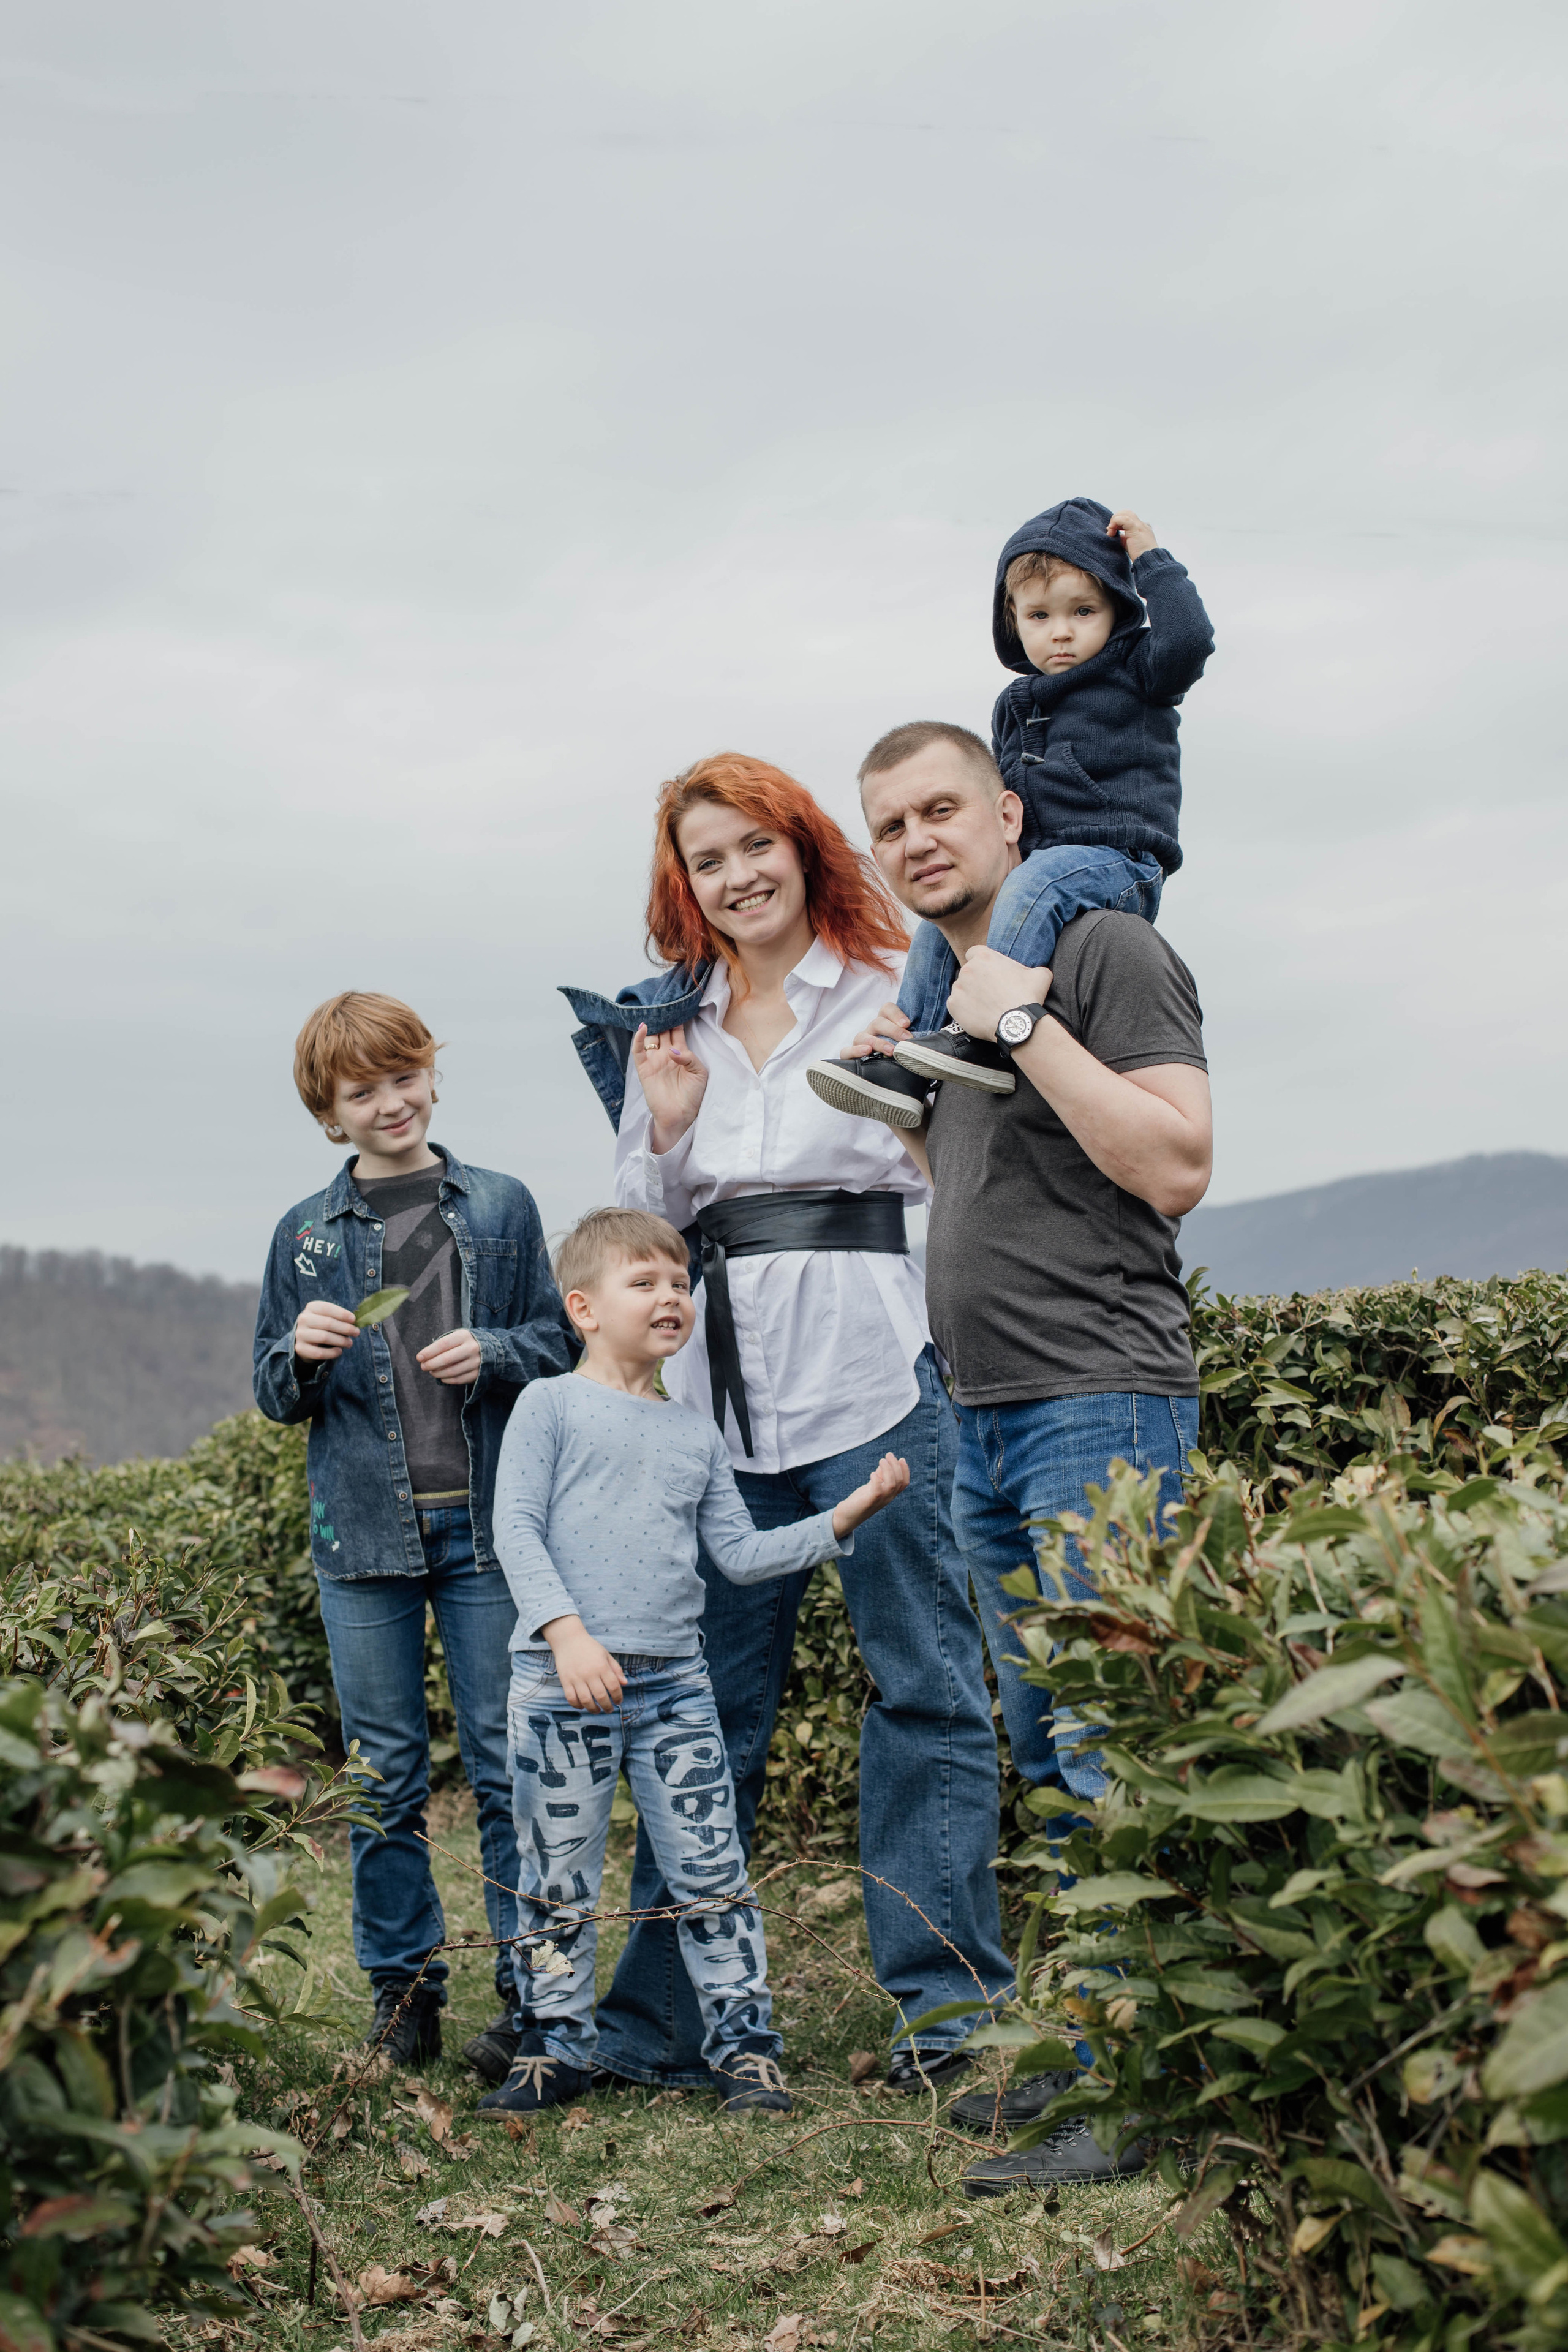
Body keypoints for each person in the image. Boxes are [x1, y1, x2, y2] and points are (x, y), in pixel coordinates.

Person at [559, 752, 1012, 2095]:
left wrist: (912, 1075)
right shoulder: (670, 1025)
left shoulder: (890, 988)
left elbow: (958, 1167)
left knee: (922, 1687)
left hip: (875, 1378)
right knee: (699, 1710)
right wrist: (665, 1122)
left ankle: (947, 2016)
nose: (738, 875)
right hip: (715, 1410)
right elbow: (647, 1222)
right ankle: (660, 2020)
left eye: (757, 844)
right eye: (708, 859)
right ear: (684, 886)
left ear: (805, 849)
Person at [841, 722, 1213, 2193]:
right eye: (888, 825)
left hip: (1098, 1400)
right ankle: (1104, 2048)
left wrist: (1020, 1023)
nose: (916, 839)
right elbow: (981, 1177)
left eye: (940, 809)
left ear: (1006, 812)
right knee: (1051, 1751)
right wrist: (923, 1076)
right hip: (981, 1406)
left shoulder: (1106, 947)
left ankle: (1151, 2085)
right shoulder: (947, 989)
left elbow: (1173, 1162)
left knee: (1114, 1739)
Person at [477, 1207, 911, 2118]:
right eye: (646, 1283)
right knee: (557, 1880)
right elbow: (513, 1528)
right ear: (584, 1308)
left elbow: (742, 1558)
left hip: (676, 1689)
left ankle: (746, 2053)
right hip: (564, 1687)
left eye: (681, 1282)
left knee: (712, 1873)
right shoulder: (547, 1405)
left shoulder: (695, 1433)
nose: (671, 1297)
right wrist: (567, 1635)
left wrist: (845, 1517)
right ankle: (555, 2046)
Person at [252, 991, 575, 2070]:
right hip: (363, 1542)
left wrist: (496, 1350)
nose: (389, 1102)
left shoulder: (501, 1206)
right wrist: (298, 1352)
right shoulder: (304, 1236)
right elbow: (272, 1392)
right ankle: (406, 2003)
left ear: (431, 1075)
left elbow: (557, 1344)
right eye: (361, 1091)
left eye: (403, 1077)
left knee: (503, 1764)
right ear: (328, 1114)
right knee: (385, 1778)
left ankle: (533, 1993)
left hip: (490, 1535)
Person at [808, 499, 1212, 1123]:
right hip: (1044, 867)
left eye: (1083, 611)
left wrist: (1150, 560)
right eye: (1040, 615)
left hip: (1120, 858)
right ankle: (903, 1055)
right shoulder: (1016, 702)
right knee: (937, 937)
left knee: (1031, 882)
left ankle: (984, 1033)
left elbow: (1188, 639)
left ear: (1116, 610)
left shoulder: (1137, 670)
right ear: (1014, 623)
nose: (1061, 631)